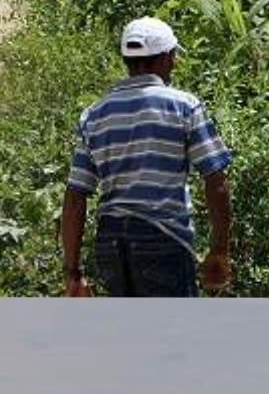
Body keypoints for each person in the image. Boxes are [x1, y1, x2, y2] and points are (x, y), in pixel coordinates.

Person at [60, 17, 232, 298]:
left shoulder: (95, 114)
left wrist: (72, 272)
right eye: (174, 56)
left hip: (111, 246)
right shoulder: (184, 106)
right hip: (163, 240)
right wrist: (220, 249)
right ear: (166, 58)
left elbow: (75, 197)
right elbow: (215, 181)